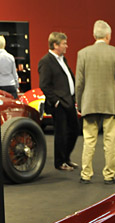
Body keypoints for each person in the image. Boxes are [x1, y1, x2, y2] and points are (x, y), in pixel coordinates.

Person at [75, 19, 115, 185]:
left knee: (89, 140)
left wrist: (79, 104)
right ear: (108, 35)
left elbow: (79, 83)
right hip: (110, 103)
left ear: (94, 34)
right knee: (110, 141)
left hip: (89, 103)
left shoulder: (82, 53)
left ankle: (85, 174)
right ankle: (109, 175)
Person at [38, 31, 78, 172]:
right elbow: (44, 85)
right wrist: (55, 101)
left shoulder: (63, 59)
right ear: (55, 45)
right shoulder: (46, 62)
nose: (66, 46)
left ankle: (66, 158)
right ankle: (60, 162)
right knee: (61, 133)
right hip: (59, 104)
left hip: (69, 101)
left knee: (74, 130)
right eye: (64, 43)